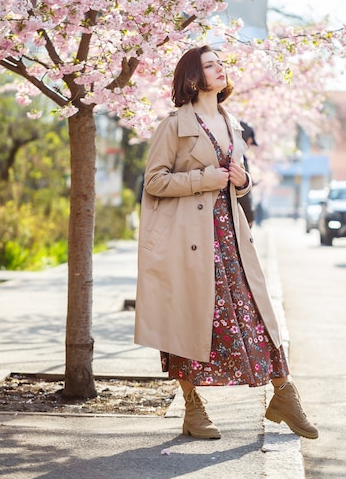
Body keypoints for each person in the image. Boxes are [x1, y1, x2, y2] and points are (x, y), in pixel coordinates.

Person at [134, 45, 318, 440]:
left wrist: (242, 180)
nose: (220, 69)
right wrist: (205, 179)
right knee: (188, 322)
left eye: (221, 63)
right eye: (210, 65)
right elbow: (153, 182)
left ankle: (283, 393)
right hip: (188, 242)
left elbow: (238, 180)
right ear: (193, 77)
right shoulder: (174, 125)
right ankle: (192, 407)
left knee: (256, 317)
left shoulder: (232, 124)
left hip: (231, 239)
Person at [238, 121, 258, 227]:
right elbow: (241, 188)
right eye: (250, 143)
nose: (249, 146)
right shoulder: (239, 157)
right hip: (239, 214)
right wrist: (249, 216)